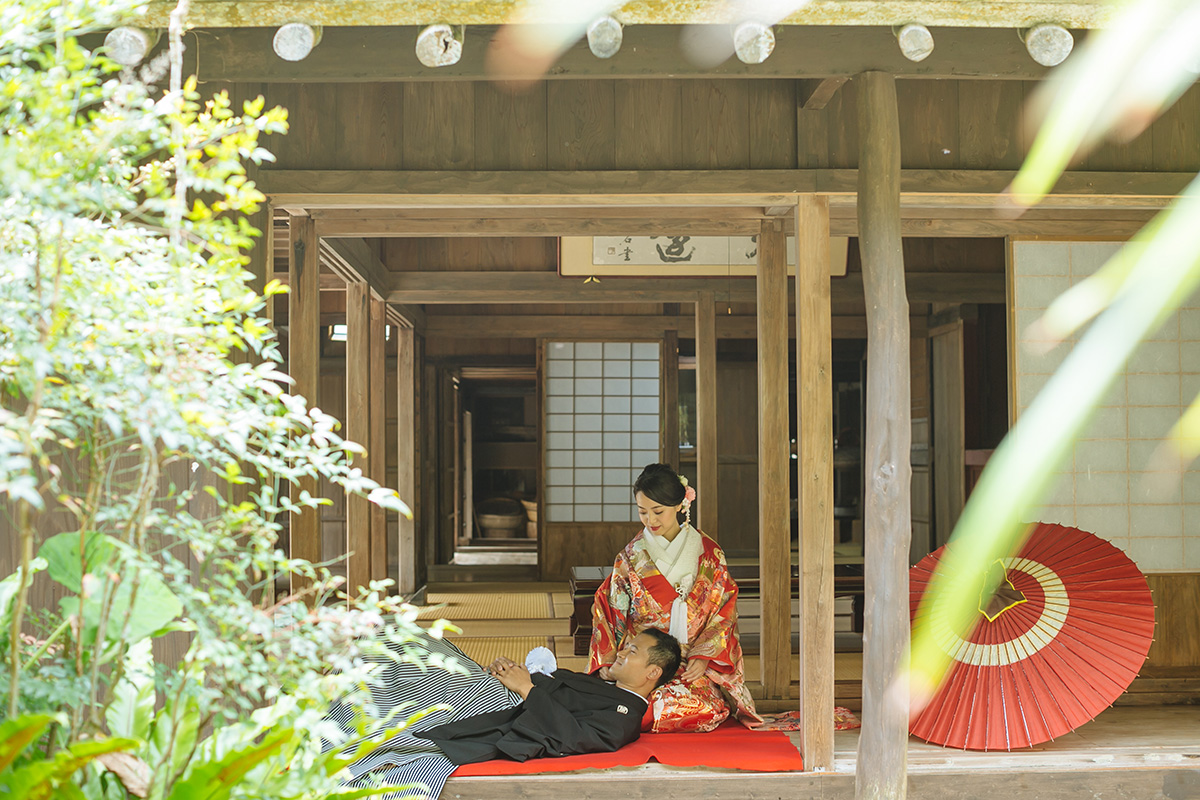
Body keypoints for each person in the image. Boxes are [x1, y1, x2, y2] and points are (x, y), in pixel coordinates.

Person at [330, 628, 681, 799]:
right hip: (500, 690)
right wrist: (510, 671)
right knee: (418, 643)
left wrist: (526, 688)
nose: (622, 652)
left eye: (633, 651)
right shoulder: (608, 686)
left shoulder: (625, 716)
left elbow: (573, 736)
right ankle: (335, 688)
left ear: (652, 673)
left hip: (503, 709)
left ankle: (332, 709)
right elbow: (551, 683)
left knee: (417, 675)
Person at [589, 463, 762, 733]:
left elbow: (723, 611)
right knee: (633, 695)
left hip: (691, 662)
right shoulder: (631, 557)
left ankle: (630, 714)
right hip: (644, 664)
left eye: (658, 511)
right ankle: (631, 708)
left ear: (681, 505)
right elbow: (610, 612)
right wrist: (610, 662)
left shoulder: (709, 553)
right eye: (643, 512)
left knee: (701, 707)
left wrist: (704, 656)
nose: (650, 520)